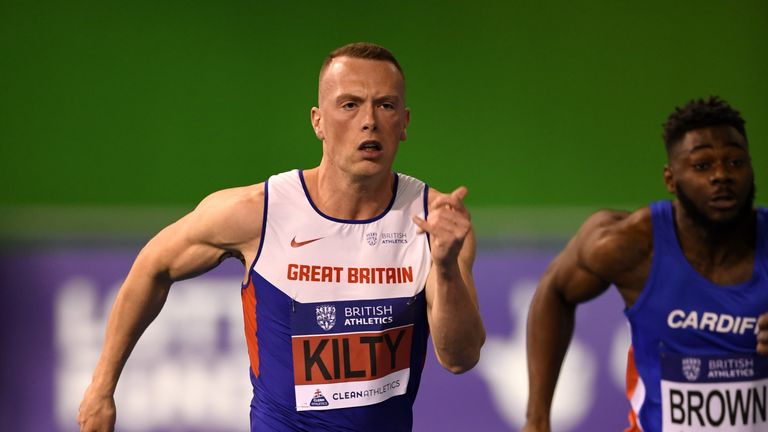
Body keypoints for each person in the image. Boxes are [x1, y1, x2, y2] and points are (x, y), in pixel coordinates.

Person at [76, 42, 485, 432]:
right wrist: (101, 387)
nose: (369, 120)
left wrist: (446, 268)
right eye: (349, 104)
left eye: (386, 105)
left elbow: (460, 357)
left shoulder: (436, 223)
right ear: (318, 122)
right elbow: (154, 265)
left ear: (404, 123)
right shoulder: (259, 212)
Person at [524, 96, 768, 432]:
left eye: (736, 162)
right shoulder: (632, 245)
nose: (721, 175)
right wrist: (537, 420)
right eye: (702, 165)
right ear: (670, 179)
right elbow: (555, 291)